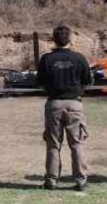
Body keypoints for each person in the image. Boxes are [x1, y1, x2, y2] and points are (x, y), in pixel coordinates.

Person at [37, 25, 93, 191]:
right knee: (77, 143)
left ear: (53, 40)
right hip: (74, 103)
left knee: (53, 144)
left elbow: (40, 83)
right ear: (70, 39)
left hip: (53, 103)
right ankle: (81, 180)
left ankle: (51, 180)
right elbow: (87, 82)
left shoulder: (46, 59)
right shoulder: (79, 58)